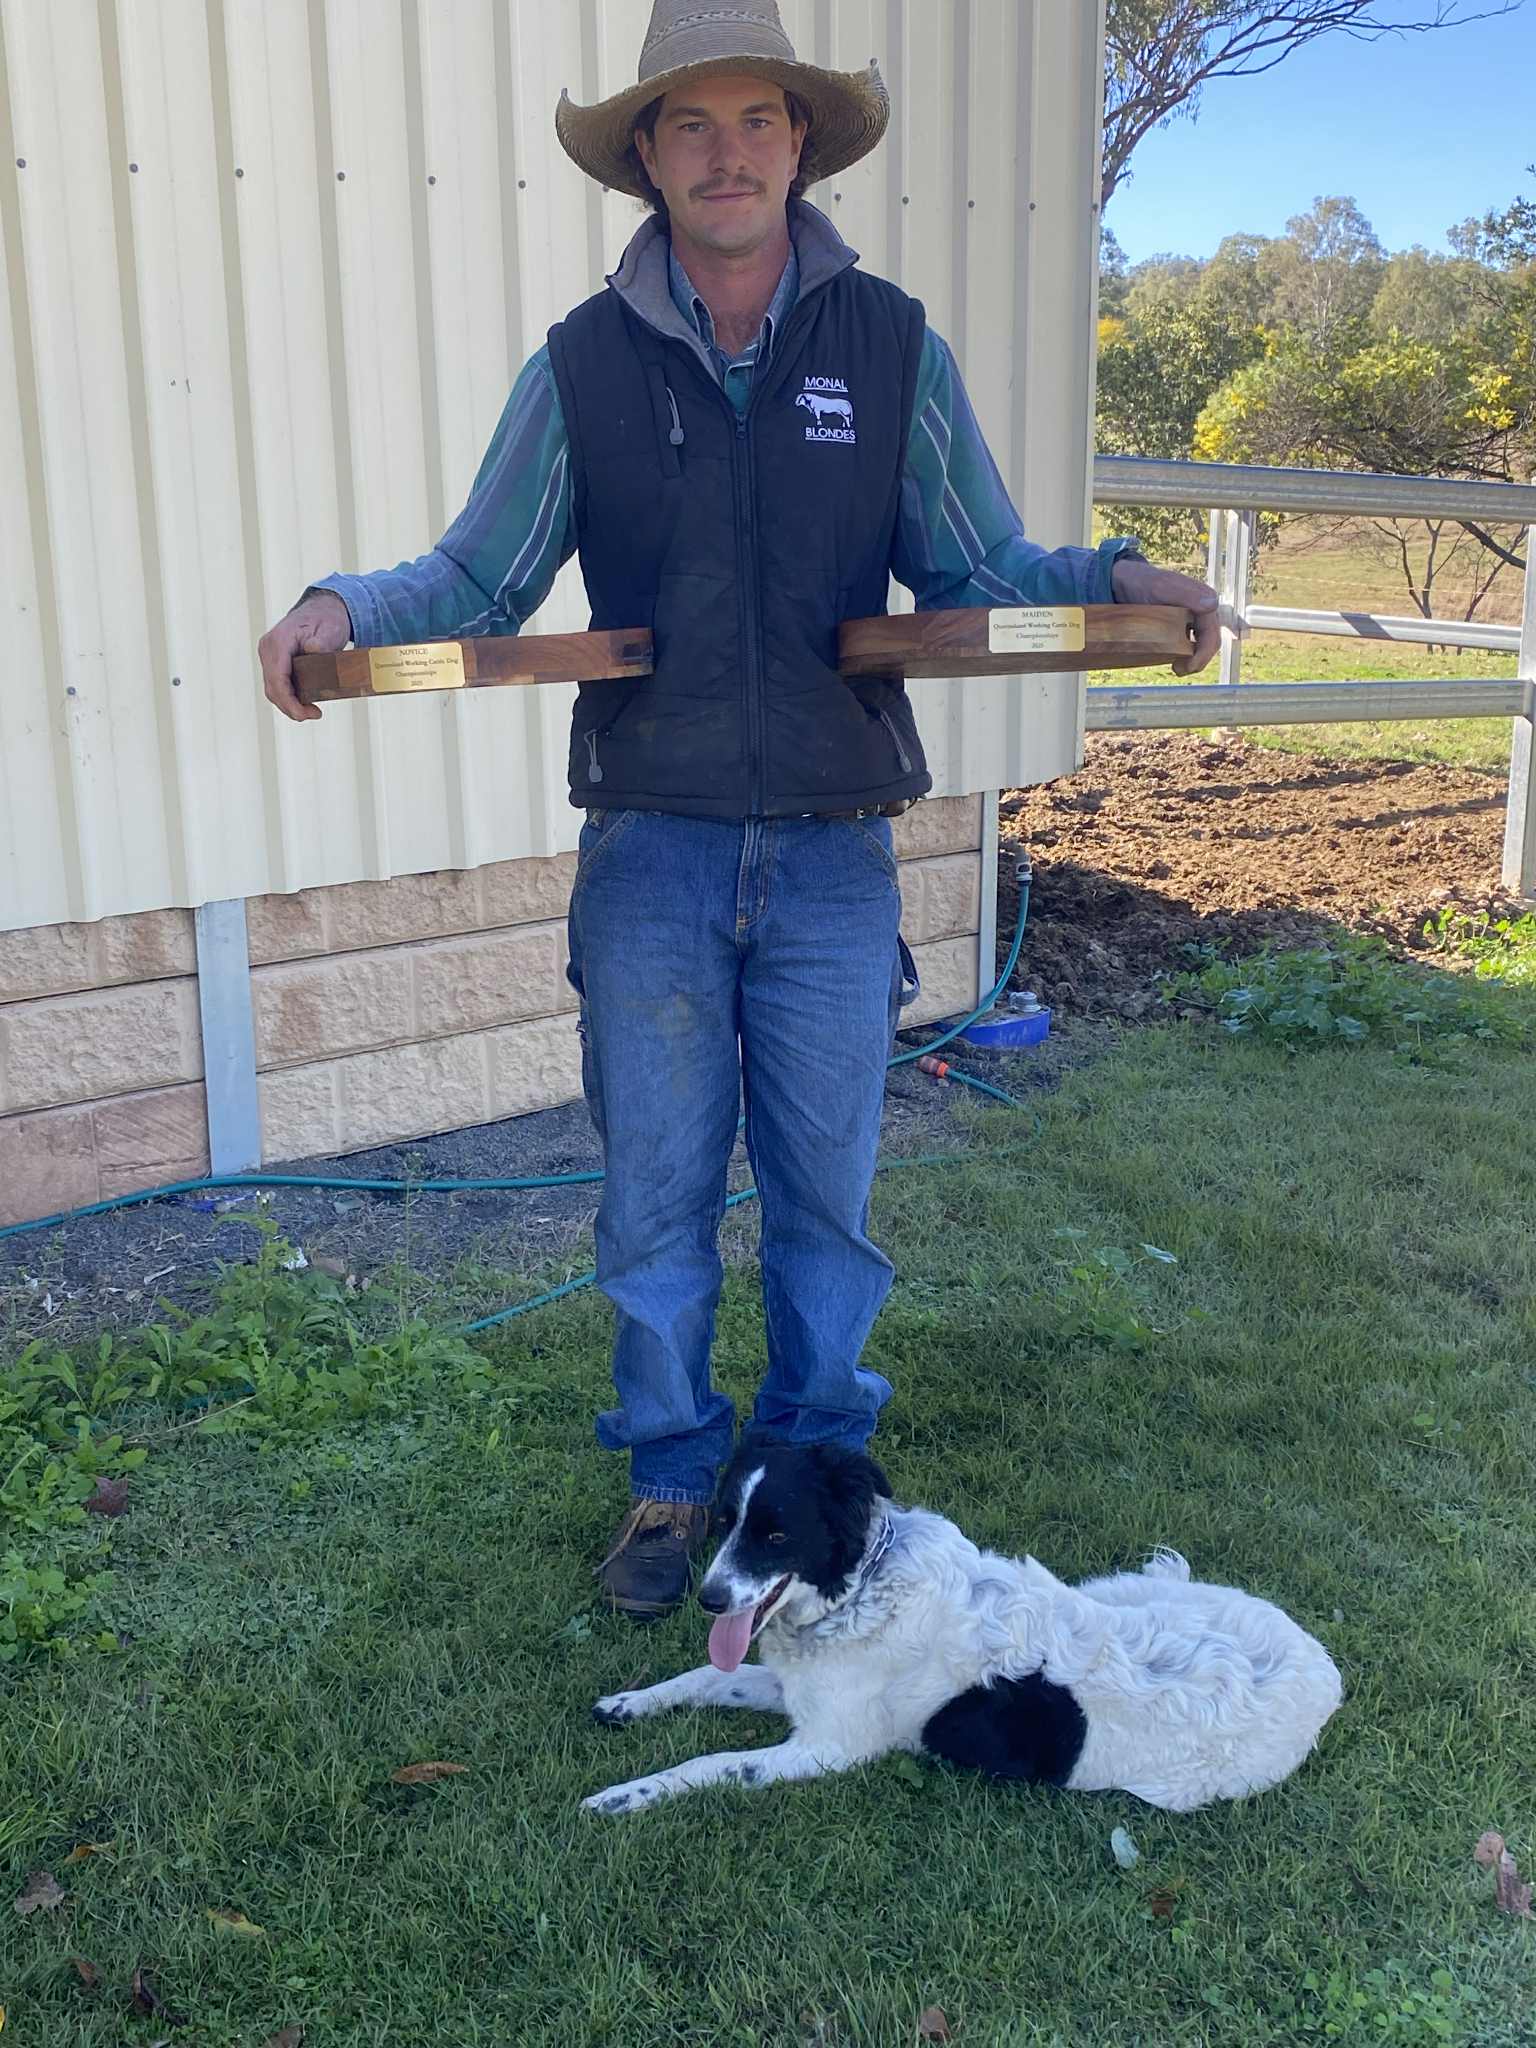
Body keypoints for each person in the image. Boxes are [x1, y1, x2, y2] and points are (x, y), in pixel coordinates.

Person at [259, 0, 1219, 1622]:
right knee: (654, 1191)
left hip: (839, 853)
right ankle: (668, 1472)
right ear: (645, 154)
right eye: (689, 124)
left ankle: (819, 1461)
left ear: (800, 141)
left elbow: (981, 562)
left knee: (825, 1193)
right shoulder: (581, 363)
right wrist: (339, 604)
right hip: (653, 846)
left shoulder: (891, 346)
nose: (726, 152)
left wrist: (1121, 573)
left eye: (755, 119)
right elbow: (478, 574)